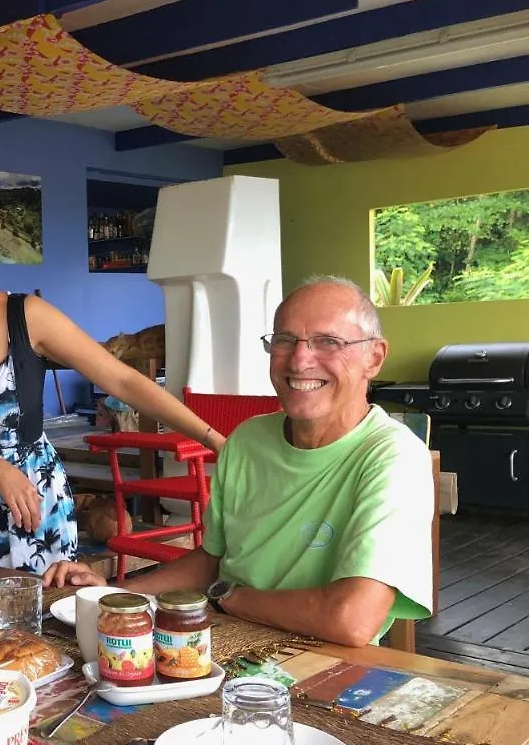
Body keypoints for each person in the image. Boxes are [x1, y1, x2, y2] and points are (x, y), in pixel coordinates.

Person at [45, 277, 434, 648]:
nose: (299, 360)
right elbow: (209, 562)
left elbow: (350, 620)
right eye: (285, 340)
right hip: (221, 643)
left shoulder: (393, 459)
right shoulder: (247, 440)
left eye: (328, 342)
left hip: (324, 662)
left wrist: (227, 597)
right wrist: (113, 594)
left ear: (375, 358)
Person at [0, 191, 226, 576]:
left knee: (41, 626)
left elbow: (122, 379)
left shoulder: (26, 315)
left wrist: (212, 438)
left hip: (31, 508)